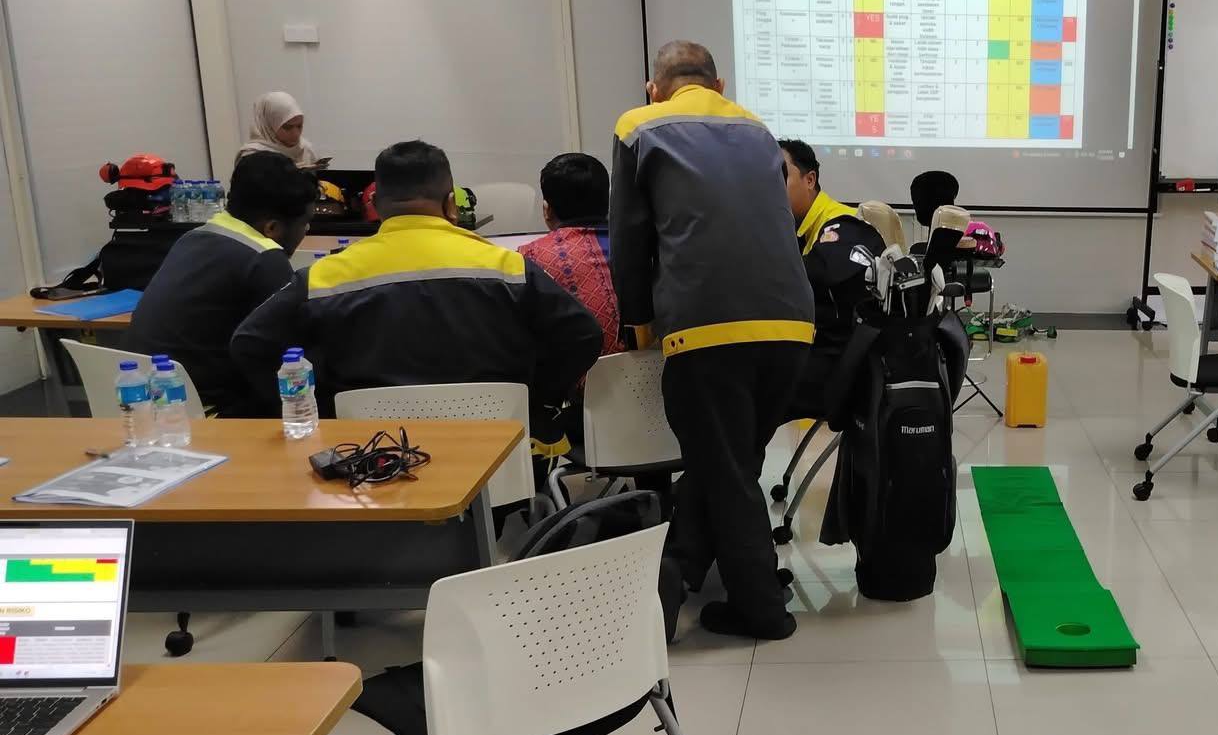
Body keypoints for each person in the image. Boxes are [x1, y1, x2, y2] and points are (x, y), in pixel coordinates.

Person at [610, 41, 813, 640]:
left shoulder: (638, 125)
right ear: (719, 85)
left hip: (705, 323)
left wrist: (638, 323)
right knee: (730, 460)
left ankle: (761, 609)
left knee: (725, 470)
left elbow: (629, 234)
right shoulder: (757, 130)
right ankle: (678, 570)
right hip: (792, 324)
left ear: (654, 89)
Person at [230, 140, 602, 460]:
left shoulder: (323, 278)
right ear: (451, 204)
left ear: (375, 203)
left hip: (370, 468)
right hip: (497, 464)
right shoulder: (510, 268)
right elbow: (584, 335)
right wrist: (534, 398)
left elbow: (249, 344)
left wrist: (324, 411)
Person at [129, 152, 316, 417]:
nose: (306, 231)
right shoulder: (264, 258)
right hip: (201, 413)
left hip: (144, 401)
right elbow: (291, 352)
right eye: (305, 223)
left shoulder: (193, 237)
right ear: (272, 228)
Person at [780, 138, 881, 414]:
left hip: (849, 369)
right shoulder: (798, 231)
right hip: (823, 354)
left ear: (810, 179)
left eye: (781, 176)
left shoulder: (843, 224)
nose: (770, 188)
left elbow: (816, 275)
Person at [518, 153, 625, 358]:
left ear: (547, 210)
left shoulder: (528, 258)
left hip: (574, 375)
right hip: (650, 373)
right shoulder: (637, 246)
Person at [237, 92, 324, 169]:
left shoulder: (306, 150)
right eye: (287, 127)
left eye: (299, 126)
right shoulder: (251, 156)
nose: (296, 134)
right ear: (269, 126)